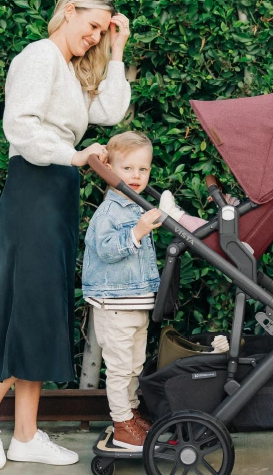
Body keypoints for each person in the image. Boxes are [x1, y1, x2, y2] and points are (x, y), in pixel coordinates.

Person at [0, 0, 132, 469]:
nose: (94, 35)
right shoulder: (38, 56)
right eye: (92, 25)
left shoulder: (72, 71)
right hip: (35, 184)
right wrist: (72, 155)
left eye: (102, 30)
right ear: (68, 11)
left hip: (57, 187)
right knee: (30, 304)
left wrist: (117, 50)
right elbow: (20, 126)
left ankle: (27, 435)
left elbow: (111, 111)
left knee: (43, 305)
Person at [82, 131, 232, 450]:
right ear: (109, 168)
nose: (136, 176)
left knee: (135, 364)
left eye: (143, 169)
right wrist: (136, 233)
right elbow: (105, 250)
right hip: (115, 305)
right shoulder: (110, 212)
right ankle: (122, 424)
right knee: (121, 368)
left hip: (134, 303)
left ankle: (131, 413)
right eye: (128, 169)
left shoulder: (136, 205)